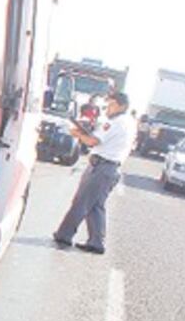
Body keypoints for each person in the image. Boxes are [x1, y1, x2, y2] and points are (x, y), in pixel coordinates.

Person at [53, 92, 136, 255]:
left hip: (102, 167)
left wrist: (78, 134)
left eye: (111, 105)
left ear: (122, 106)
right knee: (95, 206)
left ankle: (64, 235)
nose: (108, 109)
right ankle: (96, 242)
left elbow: (93, 141)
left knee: (81, 202)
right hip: (108, 168)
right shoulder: (127, 122)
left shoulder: (117, 123)